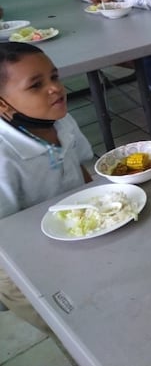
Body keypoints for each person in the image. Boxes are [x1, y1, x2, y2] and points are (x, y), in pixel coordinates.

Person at [0, 43, 93, 331]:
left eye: (54, 77)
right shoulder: (4, 157)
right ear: (3, 105)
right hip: (19, 264)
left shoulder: (60, 120)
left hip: (71, 233)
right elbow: (7, 237)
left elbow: (80, 167)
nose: (55, 89)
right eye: (36, 85)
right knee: (74, 328)